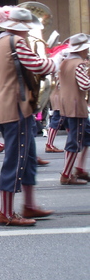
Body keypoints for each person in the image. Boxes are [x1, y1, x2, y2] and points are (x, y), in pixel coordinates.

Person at [0, 7, 56, 226]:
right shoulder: (16, 42)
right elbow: (37, 66)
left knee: (27, 158)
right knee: (16, 160)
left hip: (10, 106)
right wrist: (56, 62)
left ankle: (29, 204)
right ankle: (6, 213)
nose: (28, 34)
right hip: (16, 106)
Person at [58, 33, 90, 184]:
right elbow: (84, 85)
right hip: (77, 105)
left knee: (82, 137)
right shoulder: (79, 63)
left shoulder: (64, 62)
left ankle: (78, 169)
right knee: (75, 141)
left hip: (66, 104)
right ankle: (66, 175)